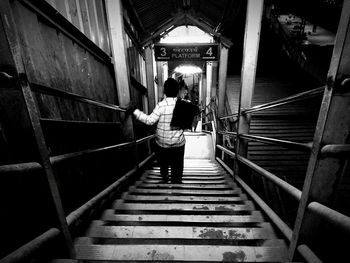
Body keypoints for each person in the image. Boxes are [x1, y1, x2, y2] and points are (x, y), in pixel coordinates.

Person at [133, 78, 185, 183]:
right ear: (177, 91)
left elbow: (149, 121)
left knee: (163, 163)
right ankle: (177, 183)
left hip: (162, 144)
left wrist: (135, 111)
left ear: (164, 91)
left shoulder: (161, 105)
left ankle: (165, 175)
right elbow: (187, 123)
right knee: (177, 168)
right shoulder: (182, 104)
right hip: (178, 143)